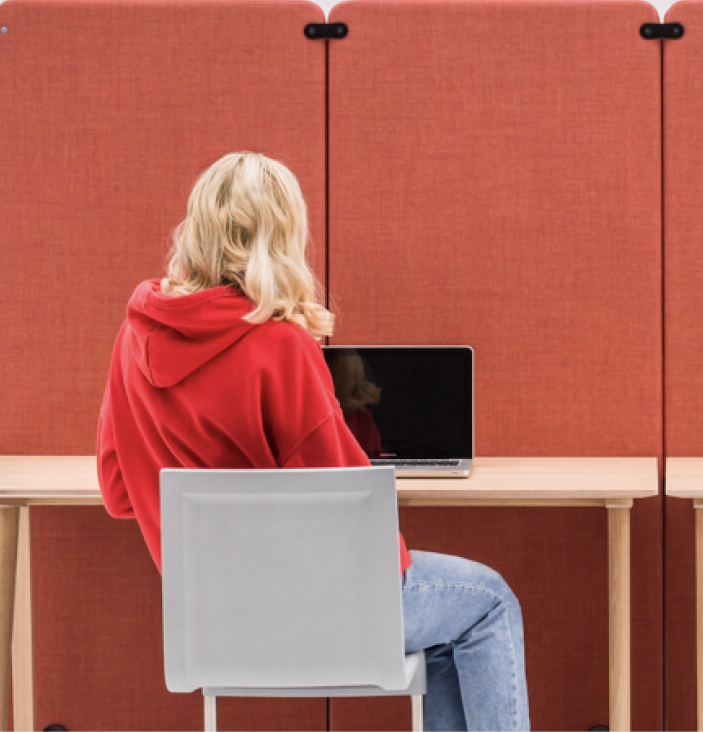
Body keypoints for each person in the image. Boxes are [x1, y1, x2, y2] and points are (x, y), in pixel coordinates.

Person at [95, 151, 529, 731]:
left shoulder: (133, 338)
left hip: (212, 621)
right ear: (281, 239)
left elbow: (120, 494)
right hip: (314, 615)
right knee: (489, 602)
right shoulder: (279, 346)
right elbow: (353, 512)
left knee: (450, 632)